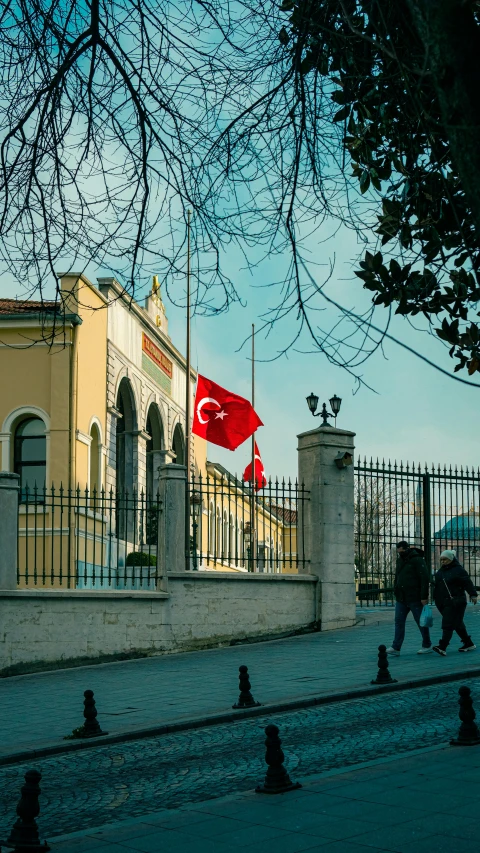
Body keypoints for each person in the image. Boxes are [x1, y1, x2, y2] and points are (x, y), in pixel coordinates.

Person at [386, 540, 432, 656]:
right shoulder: (400, 560)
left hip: (415, 597)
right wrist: (396, 588)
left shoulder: (417, 560)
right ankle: (396, 647)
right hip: (401, 597)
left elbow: (424, 578)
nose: (400, 553)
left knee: (420, 621)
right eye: (398, 552)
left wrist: (424, 597)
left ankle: (427, 644)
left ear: (406, 549)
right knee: (399, 622)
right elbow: (397, 576)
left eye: (401, 551)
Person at [432, 550, 478, 656]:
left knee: (448, 623)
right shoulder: (441, 571)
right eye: (441, 559)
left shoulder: (458, 570)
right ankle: (468, 643)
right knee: (457, 623)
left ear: (451, 559)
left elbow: (467, 582)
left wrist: (473, 594)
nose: (443, 561)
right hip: (443, 601)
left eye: (445, 559)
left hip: (456, 601)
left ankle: (442, 646)